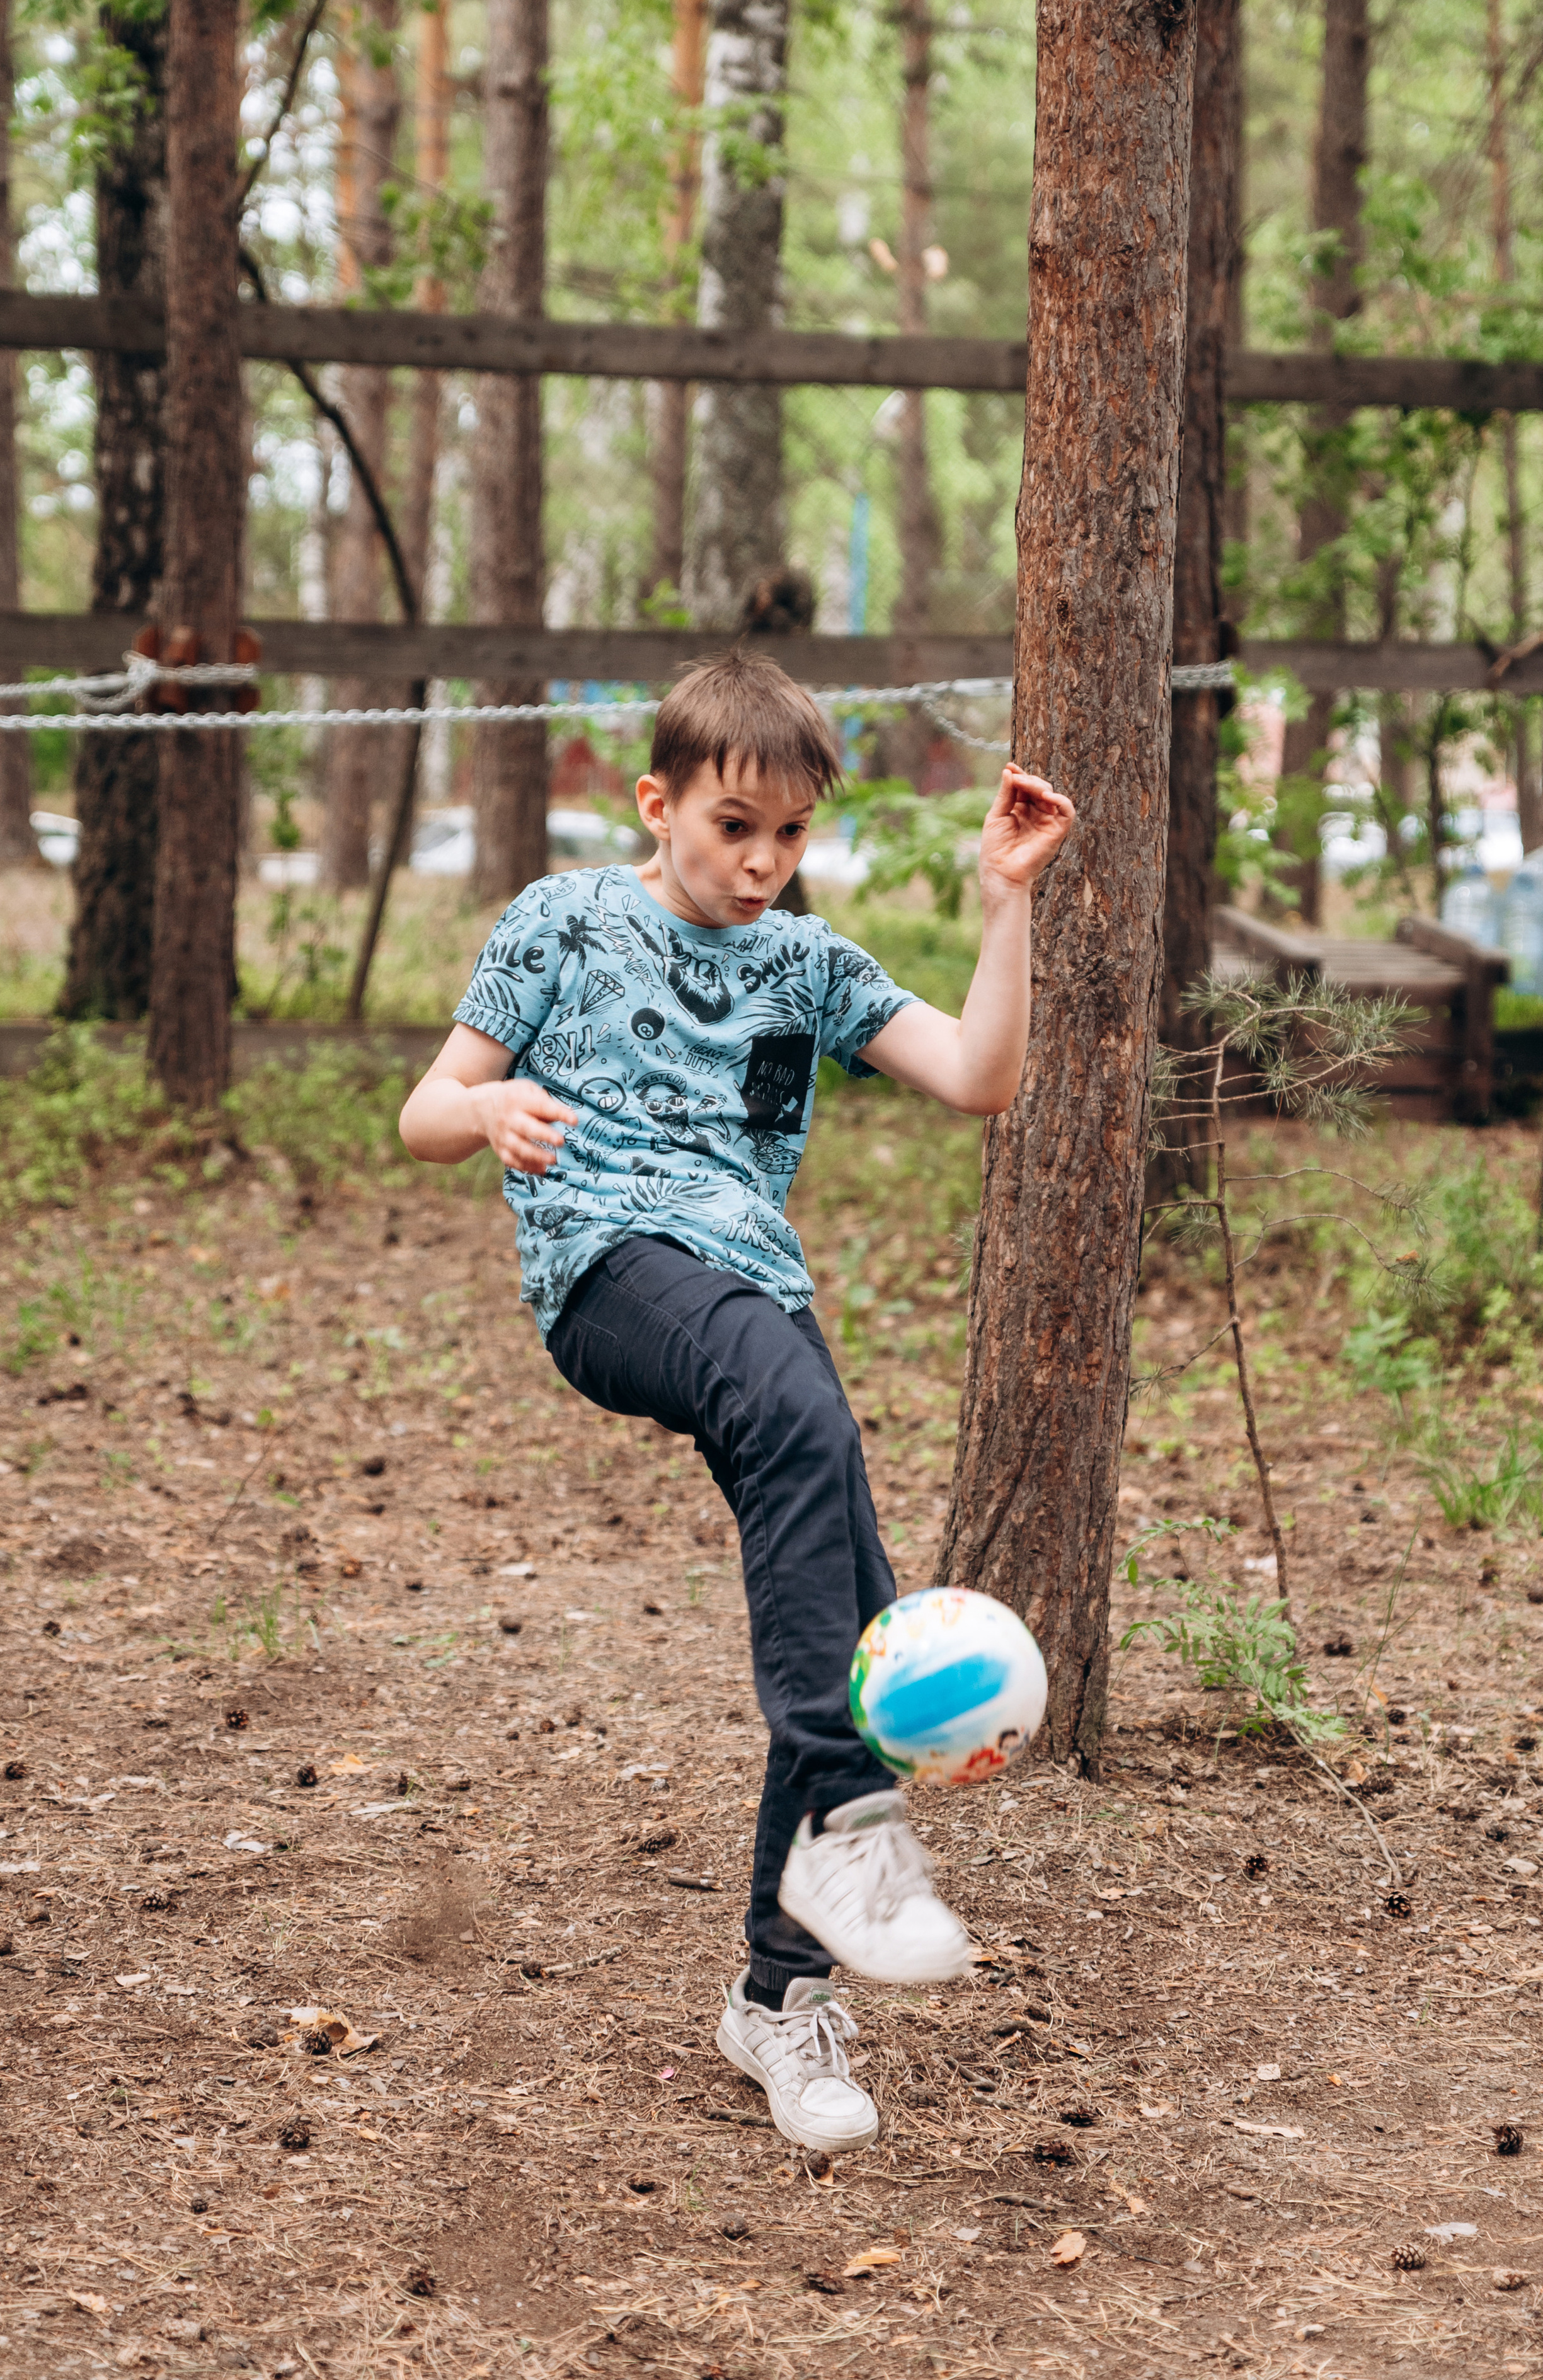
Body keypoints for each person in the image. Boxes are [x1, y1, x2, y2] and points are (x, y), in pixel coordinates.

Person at [399, 650, 1074, 2155]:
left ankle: (778, 1996)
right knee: (807, 1431)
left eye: (788, 833)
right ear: (658, 802)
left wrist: (1002, 900)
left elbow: (977, 1076)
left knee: (855, 1618)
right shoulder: (562, 917)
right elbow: (423, 1108)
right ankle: (852, 1841)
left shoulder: (808, 962)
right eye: (732, 826)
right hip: (610, 1268)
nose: (762, 860)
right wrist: (487, 1106)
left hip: (754, 1294)